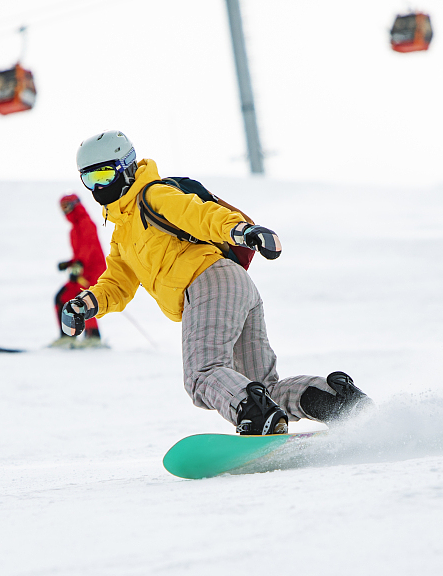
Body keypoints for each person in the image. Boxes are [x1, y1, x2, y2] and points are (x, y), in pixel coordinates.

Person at [60, 130, 373, 435]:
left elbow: (199, 215)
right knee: (265, 388)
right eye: (89, 179)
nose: (97, 187)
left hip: (208, 283)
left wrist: (244, 232)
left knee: (203, 374)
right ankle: (336, 401)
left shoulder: (153, 195)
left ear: (126, 168)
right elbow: (117, 283)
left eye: (104, 176)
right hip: (234, 285)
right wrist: (86, 304)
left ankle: (257, 417)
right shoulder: (122, 235)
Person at [52, 193, 107, 348]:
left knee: (83, 299)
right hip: (80, 271)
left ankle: (93, 336)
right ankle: (67, 336)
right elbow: (80, 253)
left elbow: (89, 249)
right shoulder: (73, 230)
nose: (64, 211)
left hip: (93, 272)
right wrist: (70, 263)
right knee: (62, 297)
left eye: (67, 206)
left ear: (75, 205)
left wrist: (79, 264)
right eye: (62, 208)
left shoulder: (87, 223)